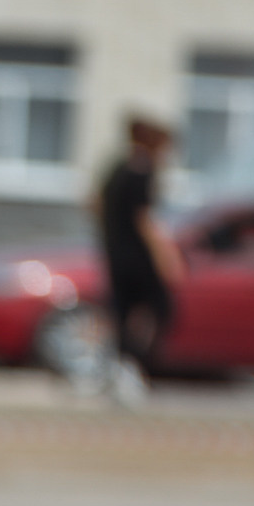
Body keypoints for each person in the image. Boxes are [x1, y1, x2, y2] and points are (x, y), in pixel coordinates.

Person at [96, 116, 184, 402]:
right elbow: (144, 219)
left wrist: (111, 234)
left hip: (115, 252)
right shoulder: (142, 172)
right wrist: (165, 256)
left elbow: (93, 203)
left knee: (122, 311)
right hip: (138, 256)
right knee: (161, 307)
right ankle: (132, 366)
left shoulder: (117, 169)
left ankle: (118, 370)